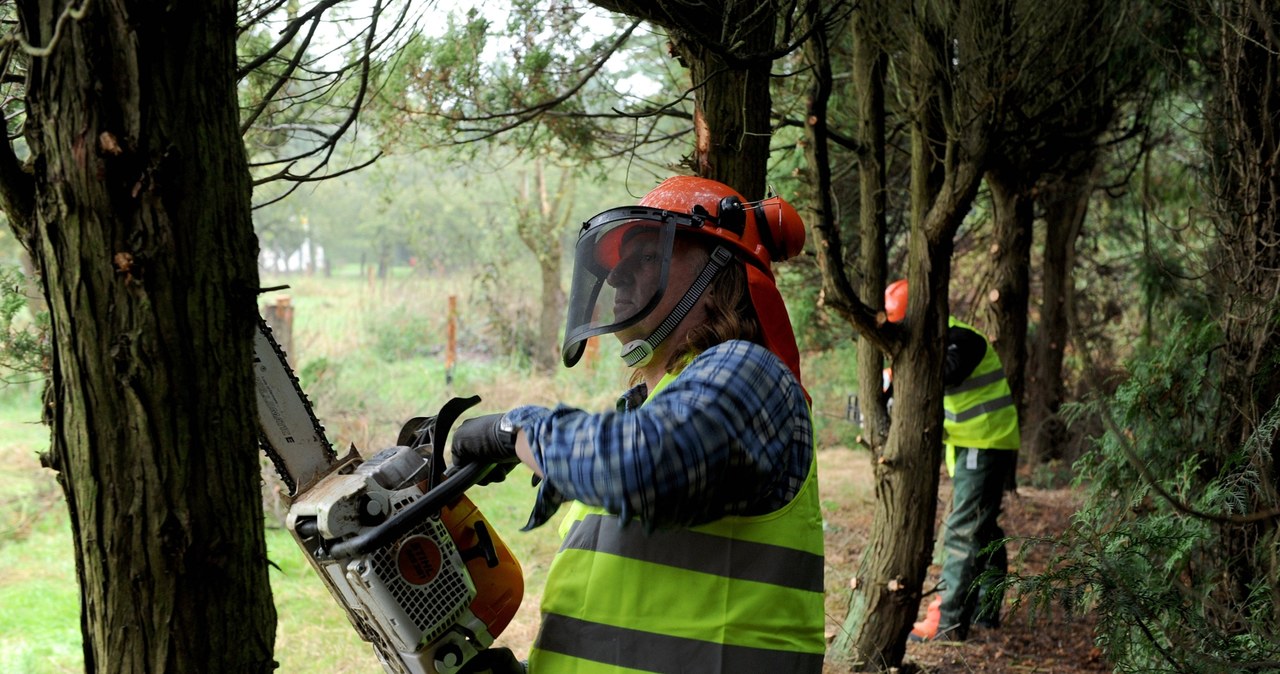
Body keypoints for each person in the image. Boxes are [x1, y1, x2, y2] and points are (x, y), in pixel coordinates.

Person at [450, 176, 826, 673]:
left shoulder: (750, 375)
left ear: (720, 275)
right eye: (620, 265)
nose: (621, 278)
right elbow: (623, 627)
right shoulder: (643, 416)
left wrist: (521, 430)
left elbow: (646, 463)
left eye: (648, 257)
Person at [882, 279, 1020, 642]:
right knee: (983, 529)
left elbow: (944, 372)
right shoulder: (934, 344)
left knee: (962, 531)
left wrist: (901, 370)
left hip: (984, 441)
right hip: (972, 443)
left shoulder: (961, 339)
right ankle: (985, 612)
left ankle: (948, 621)